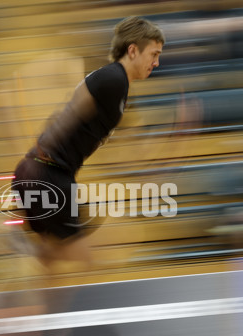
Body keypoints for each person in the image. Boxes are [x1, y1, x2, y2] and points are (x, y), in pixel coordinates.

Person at [11, 16, 165, 272]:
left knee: (50, 261)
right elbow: (71, 111)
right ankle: (12, 244)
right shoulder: (112, 79)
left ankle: (19, 253)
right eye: (154, 53)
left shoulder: (120, 89)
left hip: (46, 173)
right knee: (83, 259)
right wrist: (45, 154)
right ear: (133, 50)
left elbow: (131, 148)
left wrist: (166, 143)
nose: (157, 62)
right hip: (47, 174)